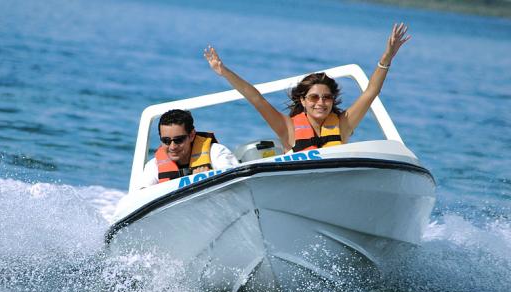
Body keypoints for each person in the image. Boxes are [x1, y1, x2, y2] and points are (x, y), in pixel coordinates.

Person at [204, 23, 411, 153]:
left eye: (326, 98)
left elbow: (370, 92)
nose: (320, 103)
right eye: (313, 98)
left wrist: (386, 58)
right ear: (302, 100)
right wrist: (225, 72)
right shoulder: (288, 128)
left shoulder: (343, 124)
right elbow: (257, 99)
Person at [138, 109, 239, 188]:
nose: (172, 147)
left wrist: (209, 179)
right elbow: (140, 198)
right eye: (166, 141)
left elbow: (236, 183)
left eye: (178, 140)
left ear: (191, 135)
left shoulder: (216, 153)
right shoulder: (153, 167)